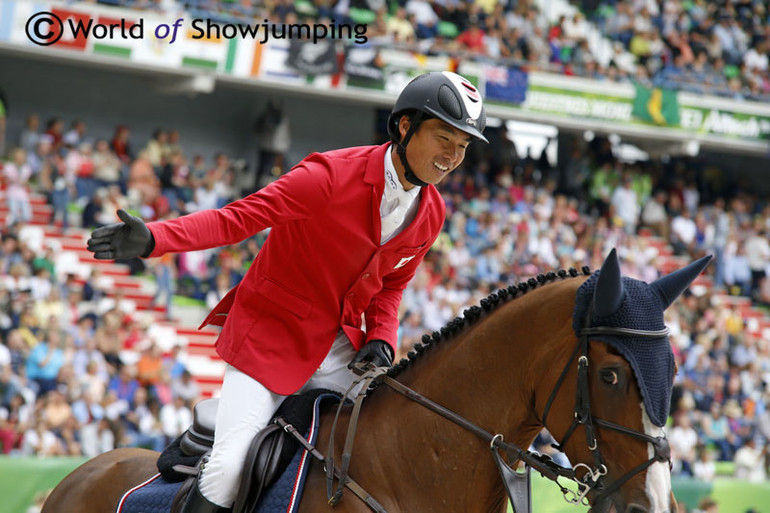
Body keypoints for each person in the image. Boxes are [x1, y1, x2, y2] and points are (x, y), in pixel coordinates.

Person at [86, 71, 488, 512]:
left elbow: (391, 288)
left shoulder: (431, 213)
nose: (452, 156)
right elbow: (236, 218)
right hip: (270, 342)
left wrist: (381, 339)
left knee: (394, 447)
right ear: (405, 126)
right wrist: (155, 240)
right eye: (444, 138)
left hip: (340, 354)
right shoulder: (329, 176)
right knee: (228, 470)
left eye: (463, 147)